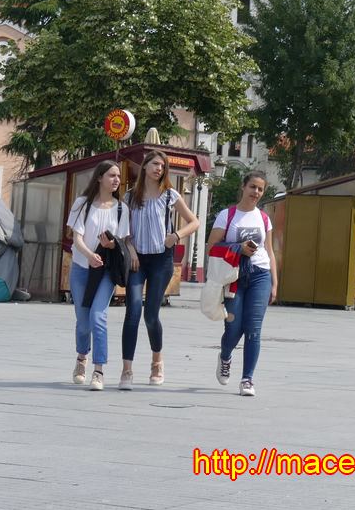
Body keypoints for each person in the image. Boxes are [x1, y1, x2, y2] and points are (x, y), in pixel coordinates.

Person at [119, 150, 199, 388]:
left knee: (151, 315)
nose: (159, 169)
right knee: (133, 310)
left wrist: (177, 235)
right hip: (137, 260)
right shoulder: (130, 197)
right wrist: (130, 249)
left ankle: (157, 361)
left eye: (162, 166)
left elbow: (194, 222)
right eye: (155, 164)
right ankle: (127, 370)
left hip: (161, 261)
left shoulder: (170, 195)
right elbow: (123, 229)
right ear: (144, 166)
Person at [207, 171, 278, 396]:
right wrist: (238, 248)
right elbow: (211, 247)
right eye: (252, 187)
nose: (256, 192)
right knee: (233, 327)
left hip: (260, 275)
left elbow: (270, 251)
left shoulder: (264, 218)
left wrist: (274, 282)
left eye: (260, 189)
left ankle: (247, 379)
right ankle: (225, 356)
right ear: (243, 187)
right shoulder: (227, 215)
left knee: (253, 329)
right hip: (234, 276)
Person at [67, 160, 128, 391]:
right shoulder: (82, 203)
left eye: (118, 176)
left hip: (105, 271)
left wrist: (111, 245)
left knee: (98, 316)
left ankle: (99, 370)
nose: (116, 180)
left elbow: (122, 242)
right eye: (112, 175)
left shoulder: (122, 209)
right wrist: (90, 255)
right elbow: (76, 238)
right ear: (100, 177)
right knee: (83, 322)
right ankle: (81, 357)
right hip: (81, 267)